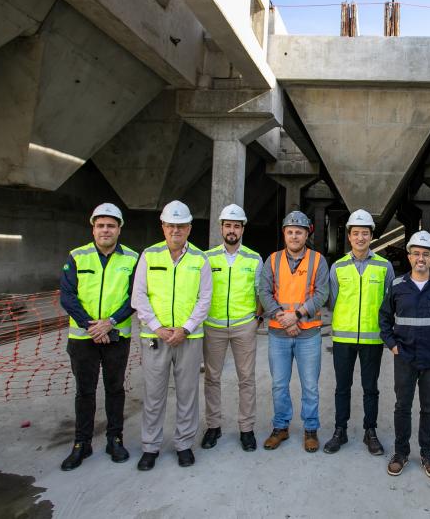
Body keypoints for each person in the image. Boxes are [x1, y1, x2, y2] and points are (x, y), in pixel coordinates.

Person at [131, 200, 212, 471]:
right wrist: (157, 327)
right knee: (154, 394)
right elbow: (139, 295)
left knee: (187, 393)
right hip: (155, 337)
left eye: (181, 226)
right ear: (163, 227)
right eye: (170, 225)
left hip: (188, 338)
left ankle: (184, 444)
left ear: (189, 228)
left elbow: (205, 299)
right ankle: (150, 446)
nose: (175, 230)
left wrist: (185, 328)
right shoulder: (149, 255)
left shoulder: (200, 259)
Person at [59, 203, 138, 470]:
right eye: (101, 225)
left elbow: (135, 297)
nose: (106, 230)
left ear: (119, 229)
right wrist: (91, 325)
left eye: (111, 226)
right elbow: (67, 296)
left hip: (117, 335)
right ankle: (82, 443)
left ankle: (115, 438)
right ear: (93, 228)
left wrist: (110, 323)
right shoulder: (77, 256)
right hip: (83, 338)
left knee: (115, 389)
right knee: (85, 391)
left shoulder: (131, 259)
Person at [380, 231, 430, 479]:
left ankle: (428, 454)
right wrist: (392, 345)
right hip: (404, 358)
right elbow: (383, 319)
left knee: (429, 408)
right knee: (402, 406)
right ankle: (401, 453)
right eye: (416, 253)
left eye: (426, 254)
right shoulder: (397, 286)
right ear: (409, 256)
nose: (421, 258)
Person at [256, 211, 330, 452]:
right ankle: (281, 427)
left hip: (308, 333)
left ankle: (311, 430)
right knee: (279, 384)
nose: (294, 236)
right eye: (290, 231)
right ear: (284, 233)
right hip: (279, 333)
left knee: (310, 385)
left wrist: (296, 316)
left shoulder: (318, 260)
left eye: (299, 232)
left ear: (306, 234)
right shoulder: (273, 260)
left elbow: (321, 294)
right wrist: (282, 317)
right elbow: (264, 292)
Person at [323, 209, 395, 456]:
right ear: (349, 237)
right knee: (342, 387)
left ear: (371, 236)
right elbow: (332, 301)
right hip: (342, 338)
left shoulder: (384, 267)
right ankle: (340, 430)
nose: (361, 238)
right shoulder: (338, 266)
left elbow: (389, 303)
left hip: (373, 339)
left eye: (365, 233)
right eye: (356, 233)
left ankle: (370, 431)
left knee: (370, 388)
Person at [200, 204, 263, 453]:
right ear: (221, 228)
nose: (232, 230)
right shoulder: (207, 258)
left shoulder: (254, 258)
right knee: (212, 378)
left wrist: (256, 319)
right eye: (228, 225)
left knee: (246, 379)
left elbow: (261, 291)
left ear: (243, 229)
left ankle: (246, 429)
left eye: (236, 226)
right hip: (213, 326)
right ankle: (213, 426)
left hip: (243, 327)